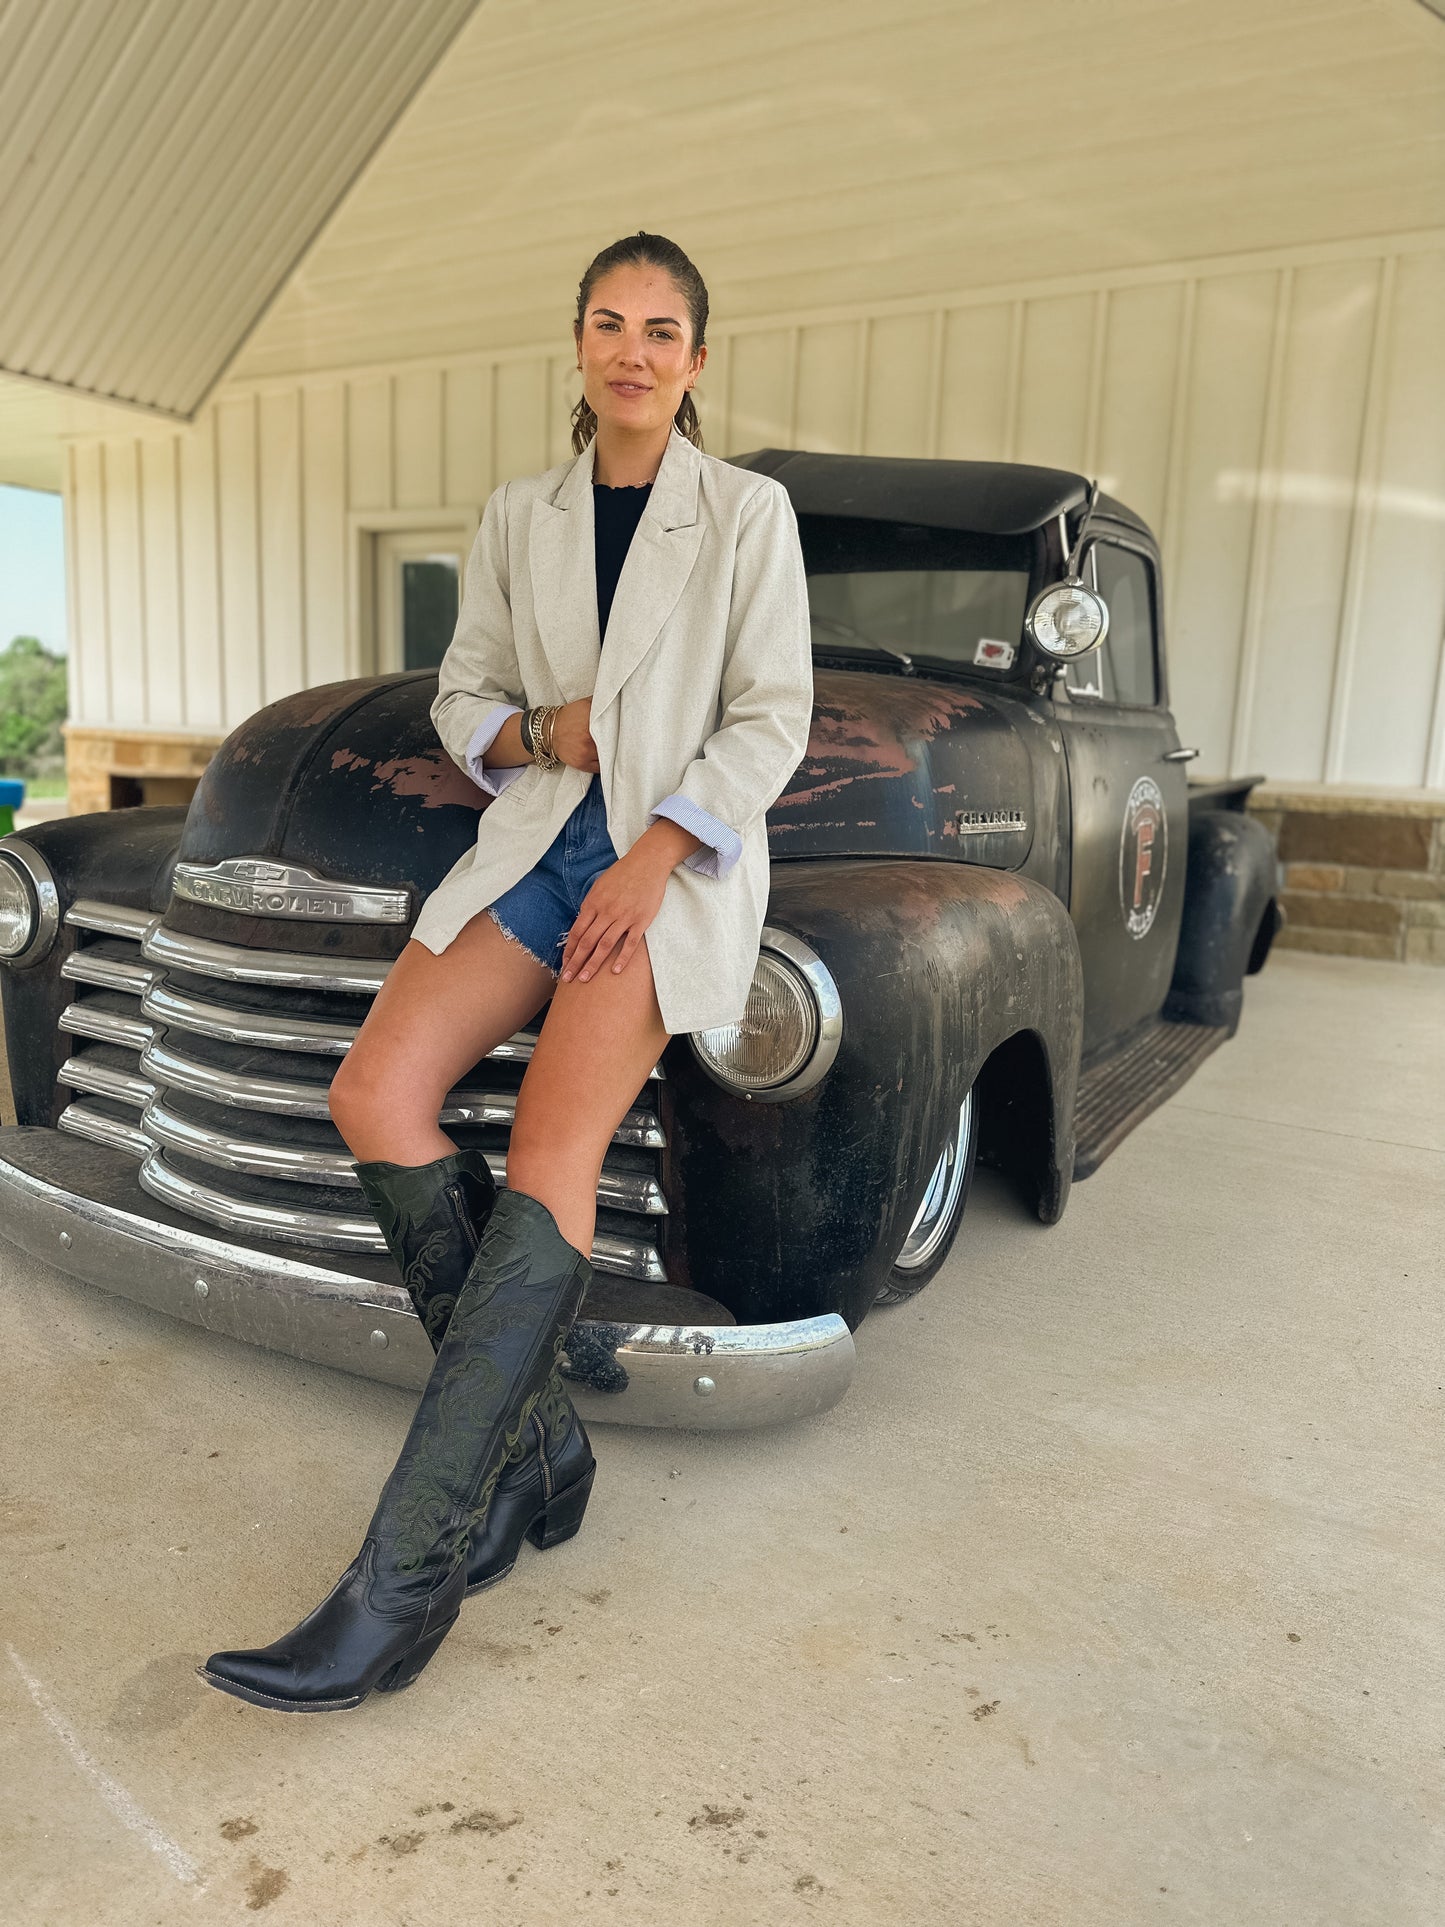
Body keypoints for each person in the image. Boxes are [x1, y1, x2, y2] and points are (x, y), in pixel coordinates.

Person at [198, 231, 815, 1713]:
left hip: (663, 870)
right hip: (535, 844)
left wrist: (655, 853)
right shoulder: (518, 514)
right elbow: (462, 691)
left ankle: (400, 1580)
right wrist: (545, 736)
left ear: (696, 362)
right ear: (581, 346)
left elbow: (773, 714)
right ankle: (539, 1451)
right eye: (610, 323)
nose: (634, 350)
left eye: (662, 329)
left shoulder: (745, 513)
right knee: (377, 1094)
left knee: (550, 1147)